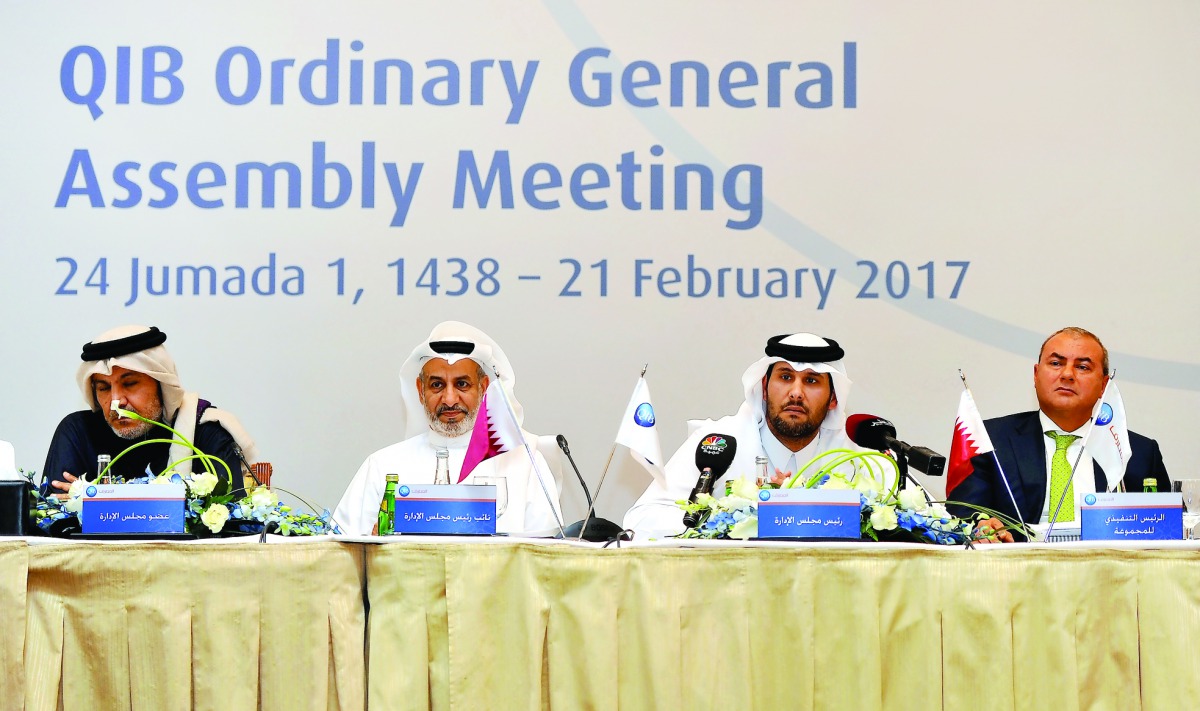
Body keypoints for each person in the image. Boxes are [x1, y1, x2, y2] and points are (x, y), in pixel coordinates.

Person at [623, 332, 871, 536]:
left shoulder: (855, 456)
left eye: (812, 381)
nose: (796, 393)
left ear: (833, 399)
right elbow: (642, 519)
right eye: (785, 377)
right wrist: (732, 522)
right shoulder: (718, 444)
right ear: (763, 388)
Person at [333, 321, 563, 536]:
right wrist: (374, 544)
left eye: (462, 384)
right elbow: (342, 552)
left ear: (483, 388)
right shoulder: (383, 465)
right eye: (437, 385)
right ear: (420, 390)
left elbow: (547, 558)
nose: (450, 399)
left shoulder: (526, 464)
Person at [948, 326, 1170, 532]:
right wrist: (982, 529)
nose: (1067, 374)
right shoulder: (989, 440)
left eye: (1082, 367)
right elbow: (962, 518)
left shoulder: (1137, 453)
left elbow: (1163, 530)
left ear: (1103, 386)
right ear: (1036, 374)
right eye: (1056, 363)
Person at [43, 325, 257, 497]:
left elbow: (227, 523)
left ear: (161, 384)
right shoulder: (79, 433)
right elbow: (57, 521)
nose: (116, 401)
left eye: (130, 383)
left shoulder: (206, 432)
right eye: (104, 388)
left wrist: (97, 502)